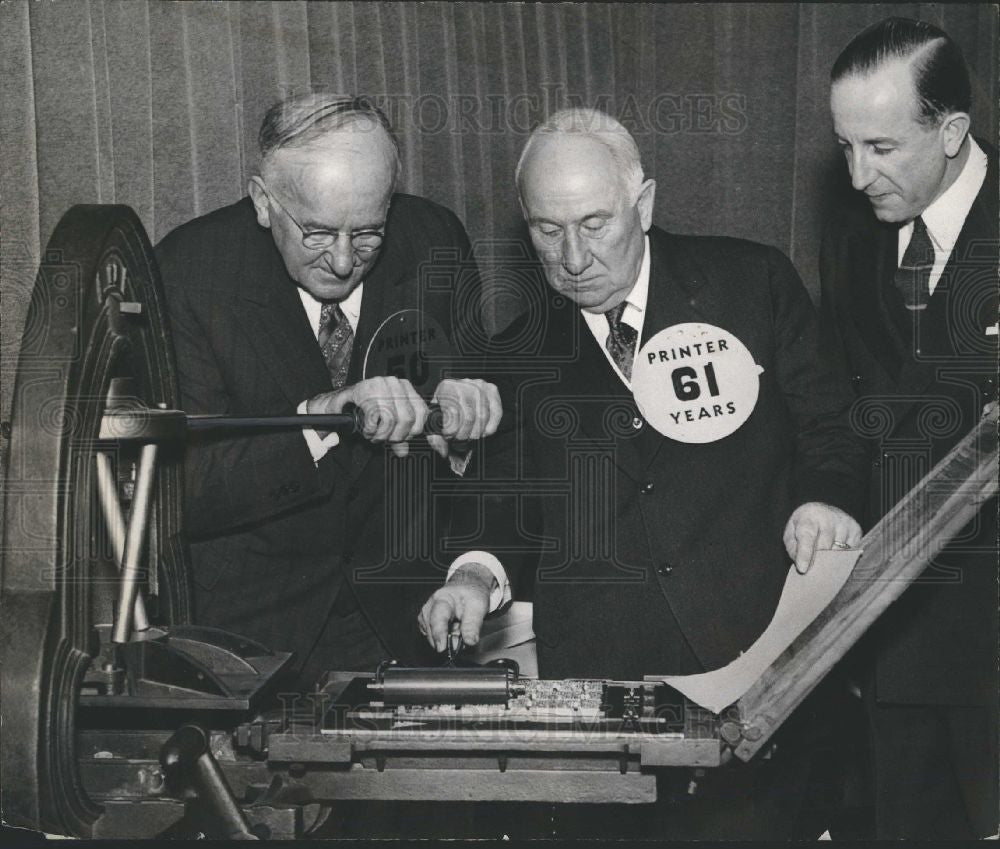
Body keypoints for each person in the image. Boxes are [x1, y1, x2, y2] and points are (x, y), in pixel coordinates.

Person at [419, 108, 868, 839]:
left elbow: (833, 424)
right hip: (608, 697)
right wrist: (471, 575)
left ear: (646, 203)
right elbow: (503, 508)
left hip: (760, 670)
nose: (570, 256)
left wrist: (825, 498)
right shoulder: (518, 352)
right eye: (545, 229)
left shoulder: (751, 282)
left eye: (594, 224)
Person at [155, 94, 501, 693]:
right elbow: (184, 491)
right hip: (250, 634)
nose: (344, 262)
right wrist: (316, 422)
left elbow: (482, 454)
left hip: (408, 619)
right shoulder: (191, 272)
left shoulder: (433, 239)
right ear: (264, 202)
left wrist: (465, 421)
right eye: (317, 232)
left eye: (367, 233)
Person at [822, 17, 998, 840]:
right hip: (893, 641)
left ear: (953, 131)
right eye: (845, 146)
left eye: (882, 147)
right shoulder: (854, 239)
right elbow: (853, 417)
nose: (858, 175)